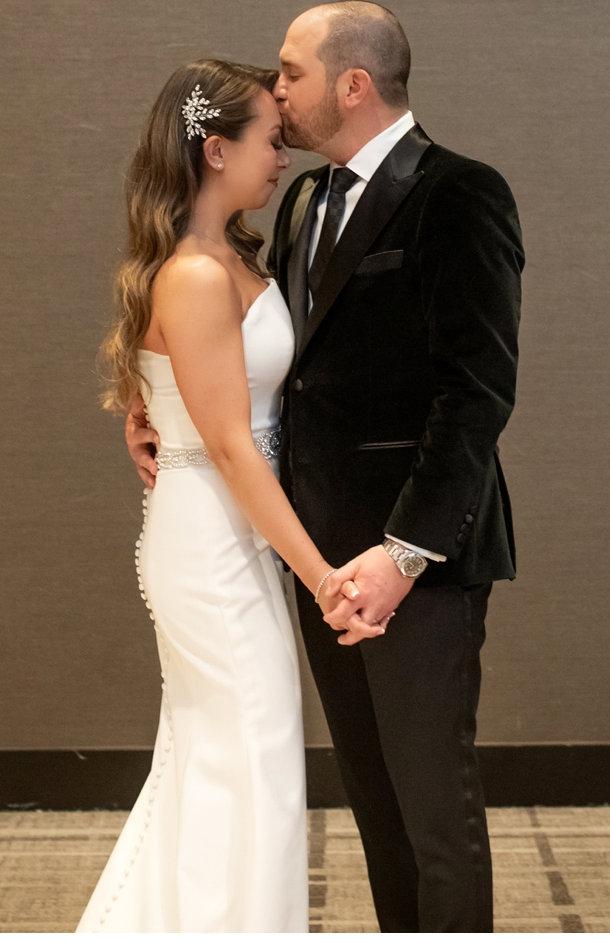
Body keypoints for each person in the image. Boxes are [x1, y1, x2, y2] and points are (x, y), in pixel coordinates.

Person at [117, 4, 524, 934]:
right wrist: (155, 405)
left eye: (292, 70)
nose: (279, 86)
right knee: (375, 805)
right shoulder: (301, 205)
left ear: (353, 84)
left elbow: (475, 396)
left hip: (413, 559)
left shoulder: (460, 193)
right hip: (314, 558)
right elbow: (265, 375)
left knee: (435, 809)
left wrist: (403, 552)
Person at [79, 58, 382, 933]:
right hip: (212, 540)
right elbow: (227, 445)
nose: (281, 156)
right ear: (215, 150)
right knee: (247, 756)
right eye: (268, 141)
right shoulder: (197, 275)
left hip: (235, 531)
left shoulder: (232, 254)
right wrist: (324, 576)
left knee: (238, 762)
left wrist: (144, 411)